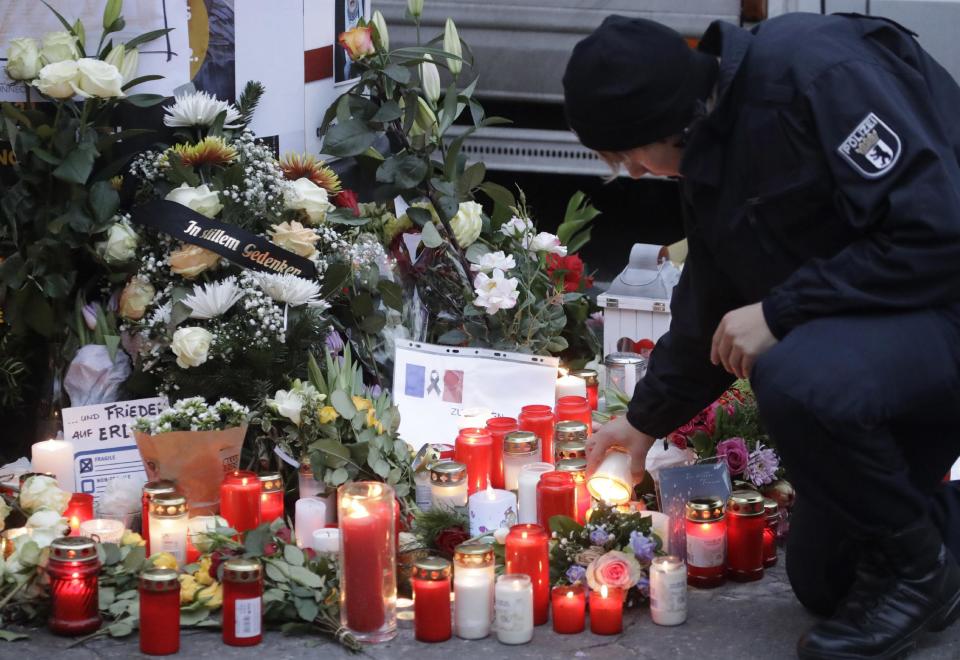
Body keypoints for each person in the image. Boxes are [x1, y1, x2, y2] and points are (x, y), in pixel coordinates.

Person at [563, 13, 960, 660]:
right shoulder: (712, 139)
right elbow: (709, 306)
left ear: (668, 125)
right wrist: (641, 423)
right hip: (888, 336)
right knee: (826, 579)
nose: (632, 173)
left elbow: (939, 231)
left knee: (795, 377)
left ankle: (920, 572)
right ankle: (924, 549)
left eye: (625, 156)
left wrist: (781, 310)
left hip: (945, 304)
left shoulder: (818, 75)